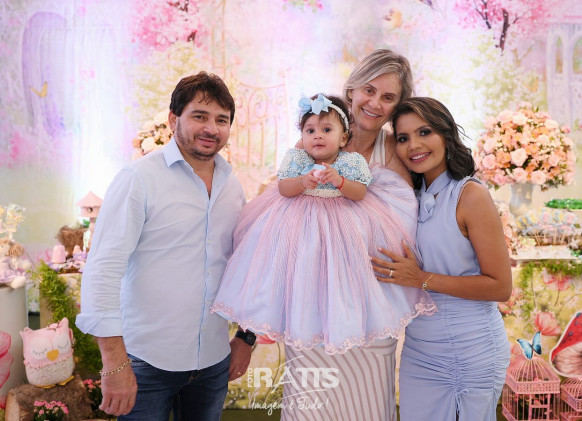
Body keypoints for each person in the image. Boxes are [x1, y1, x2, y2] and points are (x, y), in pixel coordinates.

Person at [213, 90, 434, 420]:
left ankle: (349, 321)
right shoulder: (298, 160)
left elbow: (360, 193)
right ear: (302, 136)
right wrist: (304, 181)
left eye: (327, 130)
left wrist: (340, 181)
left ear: (344, 137)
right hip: (307, 234)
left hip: (344, 231)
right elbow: (284, 188)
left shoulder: (353, 162)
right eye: (311, 130)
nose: (318, 136)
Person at [76, 72, 252, 421]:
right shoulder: (139, 179)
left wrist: (246, 338)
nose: (211, 128)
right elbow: (103, 269)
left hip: (214, 360)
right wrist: (114, 362)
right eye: (200, 116)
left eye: (222, 120)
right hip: (146, 362)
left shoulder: (232, 186)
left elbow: (246, 266)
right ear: (174, 119)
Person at [371, 97, 512, 420]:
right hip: (420, 349)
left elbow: (501, 287)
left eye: (425, 132)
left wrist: (422, 279)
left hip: (471, 346)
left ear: (446, 135)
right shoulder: (410, 198)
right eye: (403, 138)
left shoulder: (470, 195)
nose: (414, 145)